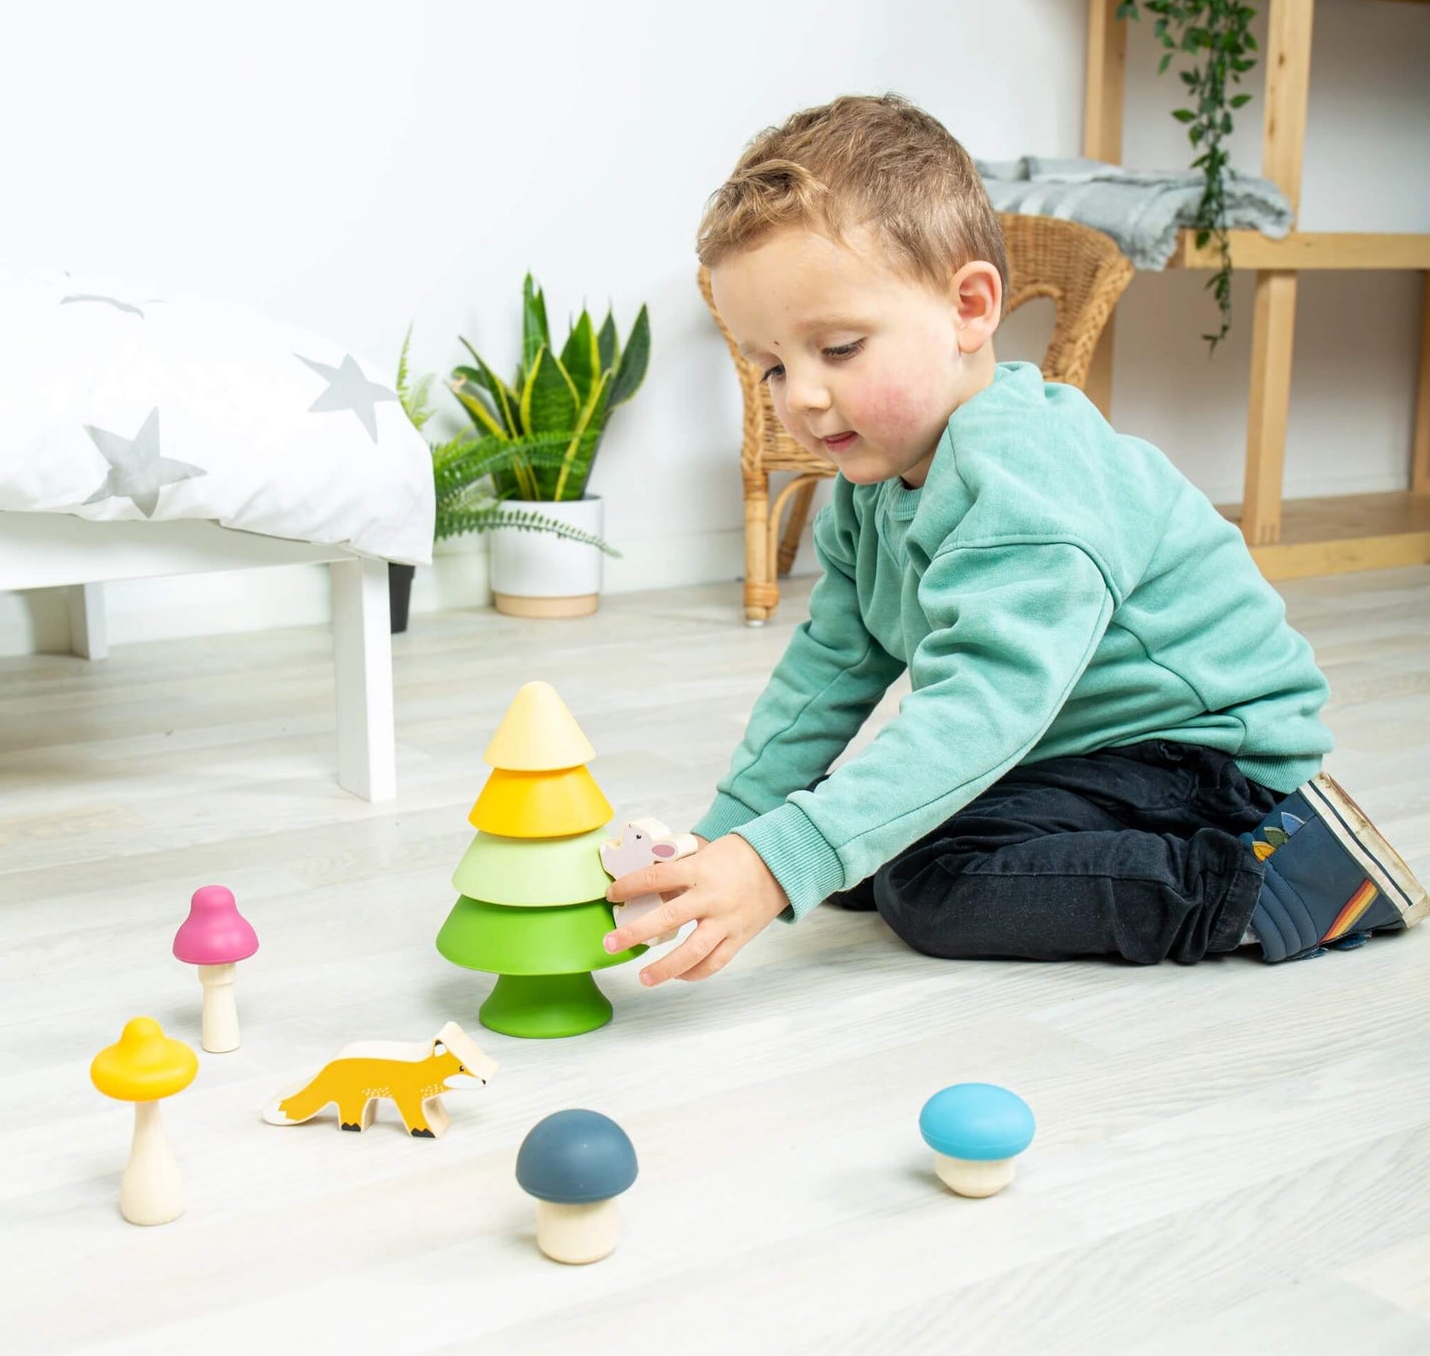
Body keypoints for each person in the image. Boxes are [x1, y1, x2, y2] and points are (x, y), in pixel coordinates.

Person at [604, 93, 1427, 982]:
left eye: (837, 348)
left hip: (1206, 760)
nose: (798, 395)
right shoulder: (869, 489)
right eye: (771, 365)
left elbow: (980, 708)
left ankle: (1275, 882)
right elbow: (830, 672)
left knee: (926, 881)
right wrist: (735, 835)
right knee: (859, 834)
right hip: (1076, 744)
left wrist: (782, 859)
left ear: (969, 307)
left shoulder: (1025, 476)